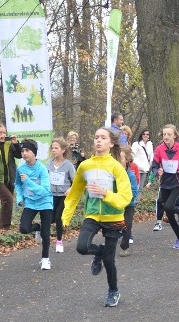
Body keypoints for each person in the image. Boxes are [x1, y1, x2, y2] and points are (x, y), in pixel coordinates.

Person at [62, 128, 132, 307]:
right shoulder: (85, 166)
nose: (98, 140)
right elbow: (76, 191)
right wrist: (66, 216)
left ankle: (113, 291)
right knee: (82, 247)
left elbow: (126, 197)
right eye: (96, 137)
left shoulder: (117, 167)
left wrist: (106, 194)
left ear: (111, 143)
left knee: (109, 260)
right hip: (92, 215)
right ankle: (98, 251)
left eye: (103, 138)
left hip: (113, 217)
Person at [148, 124, 179, 247]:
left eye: (169, 134)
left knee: (168, 206)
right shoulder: (159, 149)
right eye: (164, 134)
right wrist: (158, 170)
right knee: (167, 209)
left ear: (175, 135)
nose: (166, 136)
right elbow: (155, 165)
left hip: (178, 182)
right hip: (165, 182)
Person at [15, 139, 54, 271]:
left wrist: (29, 182)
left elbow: (44, 191)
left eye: (27, 150)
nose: (24, 153)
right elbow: (18, 185)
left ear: (34, 153)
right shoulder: (20, 168)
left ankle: (45, 259)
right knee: (24, 228)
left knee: (46, 233)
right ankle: (37, 227)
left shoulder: (42, 169)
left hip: (45, 202)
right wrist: (20, 198)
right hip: (30, 202)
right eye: (22, 151)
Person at [47, 137, 76, 254]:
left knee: (59, 217)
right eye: (52, 148)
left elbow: (76, 182)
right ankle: (39, 229)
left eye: (56, 148)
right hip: (51, 195)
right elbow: (44, 178)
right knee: (50, 218)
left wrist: (70, 189)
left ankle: (59, 241)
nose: (54, 150)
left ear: (63, 150)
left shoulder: (68, 165)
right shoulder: (49, 163)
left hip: (64, 195)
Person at [118, 146, 140, 257]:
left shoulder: (130, 175)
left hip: (128, 205)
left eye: (120, 158)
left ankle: (124, 247)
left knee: (126, 225)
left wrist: (125, 199)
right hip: (115, 205)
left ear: (127, 159)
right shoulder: (113, 174)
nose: (118, 160)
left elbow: (134, 191)